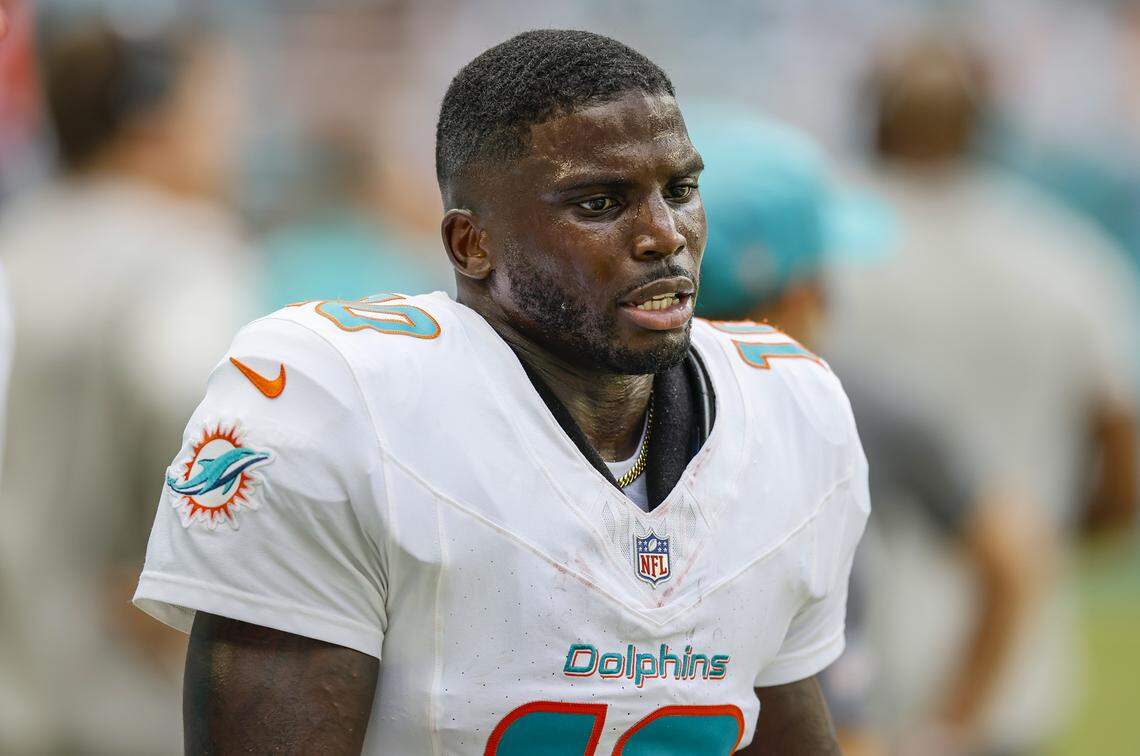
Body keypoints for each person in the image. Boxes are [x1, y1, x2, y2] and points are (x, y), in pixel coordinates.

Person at [133, 30, 869, 753]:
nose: (663, 234)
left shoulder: (788, 410)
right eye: (599, 203)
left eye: (680, 191)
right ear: (471, 244)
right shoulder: (339, 405)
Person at [687, 110, 1047, 756]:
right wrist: (946, 735)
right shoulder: (819, 427)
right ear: (798, 297)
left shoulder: (588, 423)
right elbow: (1011, 548)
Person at [827, 39, 1138, 754]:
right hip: (1010, 668)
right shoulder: (1072, 261)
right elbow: (1123, 485)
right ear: (991, 123)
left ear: (871, 117)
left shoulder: (824, 262)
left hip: (839, 665)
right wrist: (1034, 537)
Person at [0, 18, 252, 754]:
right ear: (153, 122)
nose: (228, 139)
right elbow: (199, 416)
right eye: (213, 112)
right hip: (127, 702)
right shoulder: (181, 253)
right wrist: (191, 585)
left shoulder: (18, 244)